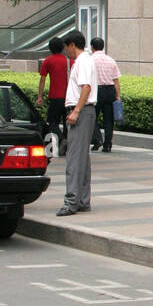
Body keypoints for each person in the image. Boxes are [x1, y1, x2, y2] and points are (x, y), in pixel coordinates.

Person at [56, 30, 97, 217]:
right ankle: (82, 200)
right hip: (82, 111)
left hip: (81, 111)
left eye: (67, 48)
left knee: (74, 158)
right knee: (81, 158)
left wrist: (76, 111)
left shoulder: (84, 61)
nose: (66, 52)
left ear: (72, 45)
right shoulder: (83, 61)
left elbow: (86, 87)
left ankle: (71, 201)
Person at [37, 36, 69, 154]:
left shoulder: (48, 61)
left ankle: (60, 139)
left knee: (52, 122)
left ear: (50, 48)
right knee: (67, 123)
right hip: (68, 97)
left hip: (55, 97)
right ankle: (67, 144)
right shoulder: (68, 61)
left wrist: (40, 96)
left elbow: (42, 80)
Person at [90, 37, 121, 152]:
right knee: (108, 119)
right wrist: (118, 96)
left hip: (96, 91)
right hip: (110, 91)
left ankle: (97, 139)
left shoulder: (90, 60)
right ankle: (108, 144)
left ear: (92, 47)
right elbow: (116, 81)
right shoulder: (111, 60)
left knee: (92, 117)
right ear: (103, 47)